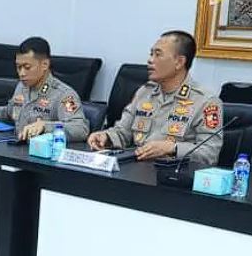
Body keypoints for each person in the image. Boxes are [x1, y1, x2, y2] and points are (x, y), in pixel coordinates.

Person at [88, 30, 223, 169]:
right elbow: (123, 132)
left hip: (172, 174)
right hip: (135, 171)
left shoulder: (205, 101)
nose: (150, 60)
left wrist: (173, 148)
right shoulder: (145, 92)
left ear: (179, 62)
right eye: (151, 54)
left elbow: (210, 153)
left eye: (158, 55)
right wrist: (106, 137)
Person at [0, 37, 89, 142]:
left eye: (27, 67)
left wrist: (45, 126)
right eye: (18, 67)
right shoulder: (22, 86)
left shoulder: (64, 95)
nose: (22, 73)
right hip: (16, 150)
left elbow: (80, 128)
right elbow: (11, 113)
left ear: (45, 65)